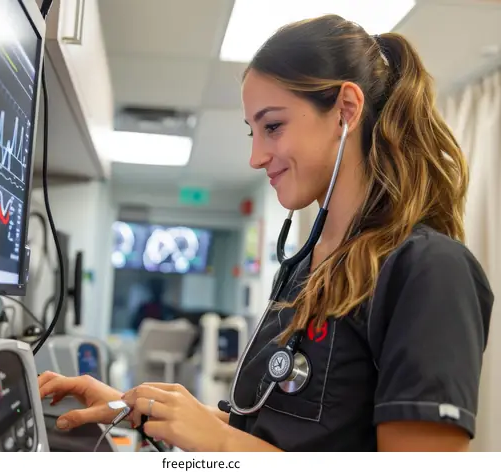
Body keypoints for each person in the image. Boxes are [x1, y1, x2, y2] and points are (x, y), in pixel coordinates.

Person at [38, 14, 494, 452]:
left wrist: (217, 440)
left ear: (346, 111)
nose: (256, 157)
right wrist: (135, 406)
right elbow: (270, 435)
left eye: (272, 126)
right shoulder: (306, 268)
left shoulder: (430, 271)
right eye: (252, 132)